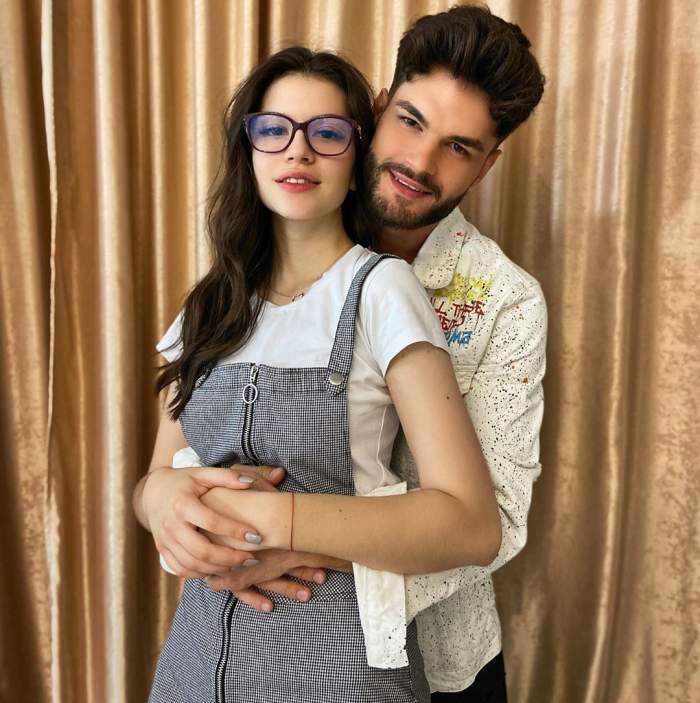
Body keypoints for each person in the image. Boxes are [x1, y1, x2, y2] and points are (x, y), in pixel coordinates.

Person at [196, 6, 548, 702]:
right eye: (411, 122)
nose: (419, 163)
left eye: (458, 147)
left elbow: (498, 523)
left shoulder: (505, 299)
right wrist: (157, 496)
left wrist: (292, 542)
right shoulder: (280, 237)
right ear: (379, 108)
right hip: (259, 641)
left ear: (488, 163)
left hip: (439, 661)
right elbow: (199, 434)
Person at [133, 46, 501, 703]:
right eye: (274, 130)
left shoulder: (382, 290)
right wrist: (156, 499)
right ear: (248, 151)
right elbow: (156, 477)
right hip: (194, 667)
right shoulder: (209, 307)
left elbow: (470, 524)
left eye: (326, 134)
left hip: (338, 669)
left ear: (356, 162)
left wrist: (271, 519)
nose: (298, 152)